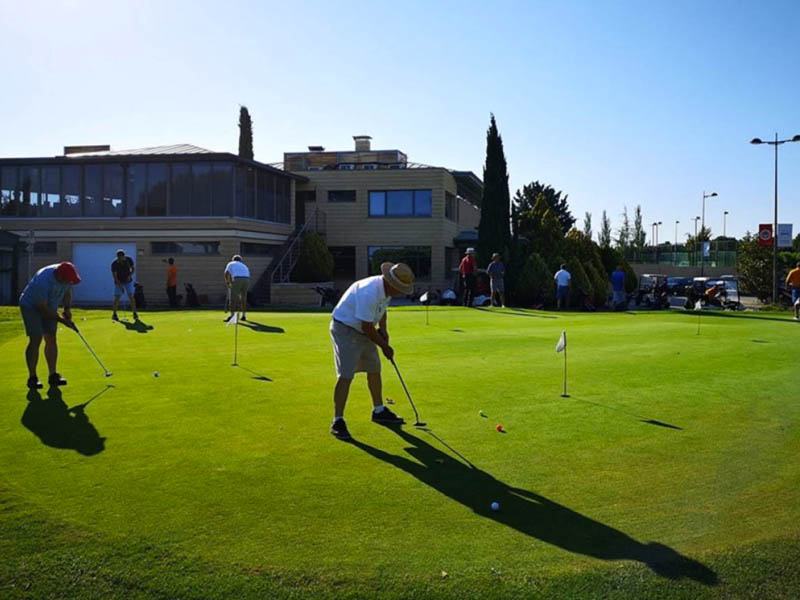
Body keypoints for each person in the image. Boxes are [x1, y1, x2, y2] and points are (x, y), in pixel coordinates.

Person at [328, 262, 414, 440]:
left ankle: (379, 410)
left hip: (363, 328)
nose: (400, 293)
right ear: (391, 283)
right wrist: (384, 346)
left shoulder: (386, 289)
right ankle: (338, 420)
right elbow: (366, 327)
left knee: (374, 369)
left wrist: (384, 330)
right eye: (399, 289)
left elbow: (382, 311)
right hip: (345, 328)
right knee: (346, 375)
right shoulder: (369, 292)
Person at [19, 262, 81, 389]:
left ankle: (53, 375)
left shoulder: (67, 277)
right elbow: (41, 308)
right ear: (60, 276)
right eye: (67, 280)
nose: (69, 282)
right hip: (31, 306)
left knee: (51, 338)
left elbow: (67, 292)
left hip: (50, 306)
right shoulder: (43, 280)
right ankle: (32, 377)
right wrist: (62, 321)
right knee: (36, 339)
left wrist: (67, 309)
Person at [111, 249, 138, 321]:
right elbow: (115, 276)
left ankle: (135, 313)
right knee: (117, 298)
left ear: (123, 256)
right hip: (118, 281)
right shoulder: (114, 263)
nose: (119, 259)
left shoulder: (129, 260)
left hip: (128, 281)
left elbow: (133, 269)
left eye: (121, 257)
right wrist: (120, 286)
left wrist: (130, 275)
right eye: (118, 258)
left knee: (131, 296)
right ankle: (114, 314)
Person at [224, 254, 250, 322]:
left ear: (233, 259)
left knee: (233, 298)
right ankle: (244, 315)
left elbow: (226, 273)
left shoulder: (231, 263)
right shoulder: (244, 265)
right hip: (246, 280)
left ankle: (232, 316)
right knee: (243, 298)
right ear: (240, 260)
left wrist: (228, 282)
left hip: (237, 279)